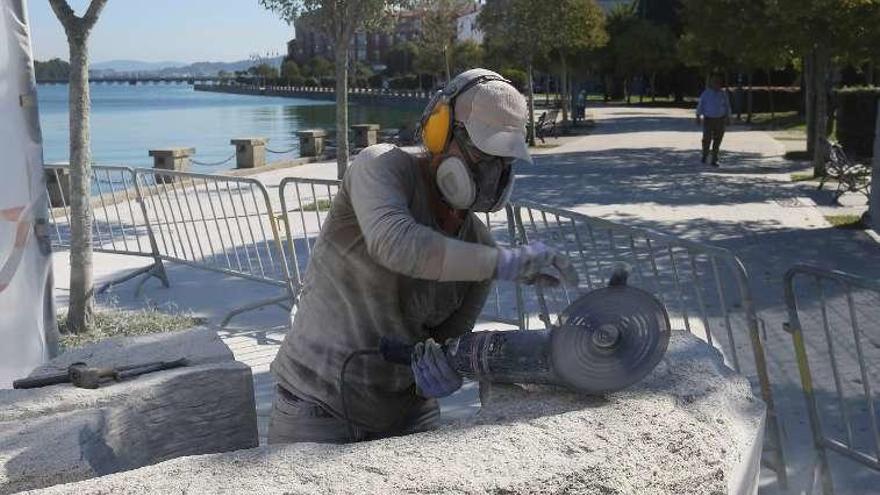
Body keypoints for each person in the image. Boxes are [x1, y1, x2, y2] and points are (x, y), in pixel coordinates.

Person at [268, 68, 578, 444]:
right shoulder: (381, 167)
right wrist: (506, 263)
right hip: (315, 409)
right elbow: (396, 244)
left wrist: (444, 369)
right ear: (438, 130)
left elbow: (445, 343)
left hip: (409, 416)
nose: (491, 175)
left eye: (504, 162)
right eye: (482, 154)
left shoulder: (478, 248)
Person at [696, 74, 732, 167]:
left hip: (720, 119)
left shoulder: (723, 94)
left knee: (718, 139)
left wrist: (728, 117)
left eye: (718, 82)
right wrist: (698, 116)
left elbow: (727, 106)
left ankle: (714, 158)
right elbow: (701, 105)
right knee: (706, 139)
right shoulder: (706, 93)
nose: (717, 84)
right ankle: (705, 154)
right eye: (714, 82)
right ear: (711, 83)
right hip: (708, 119)